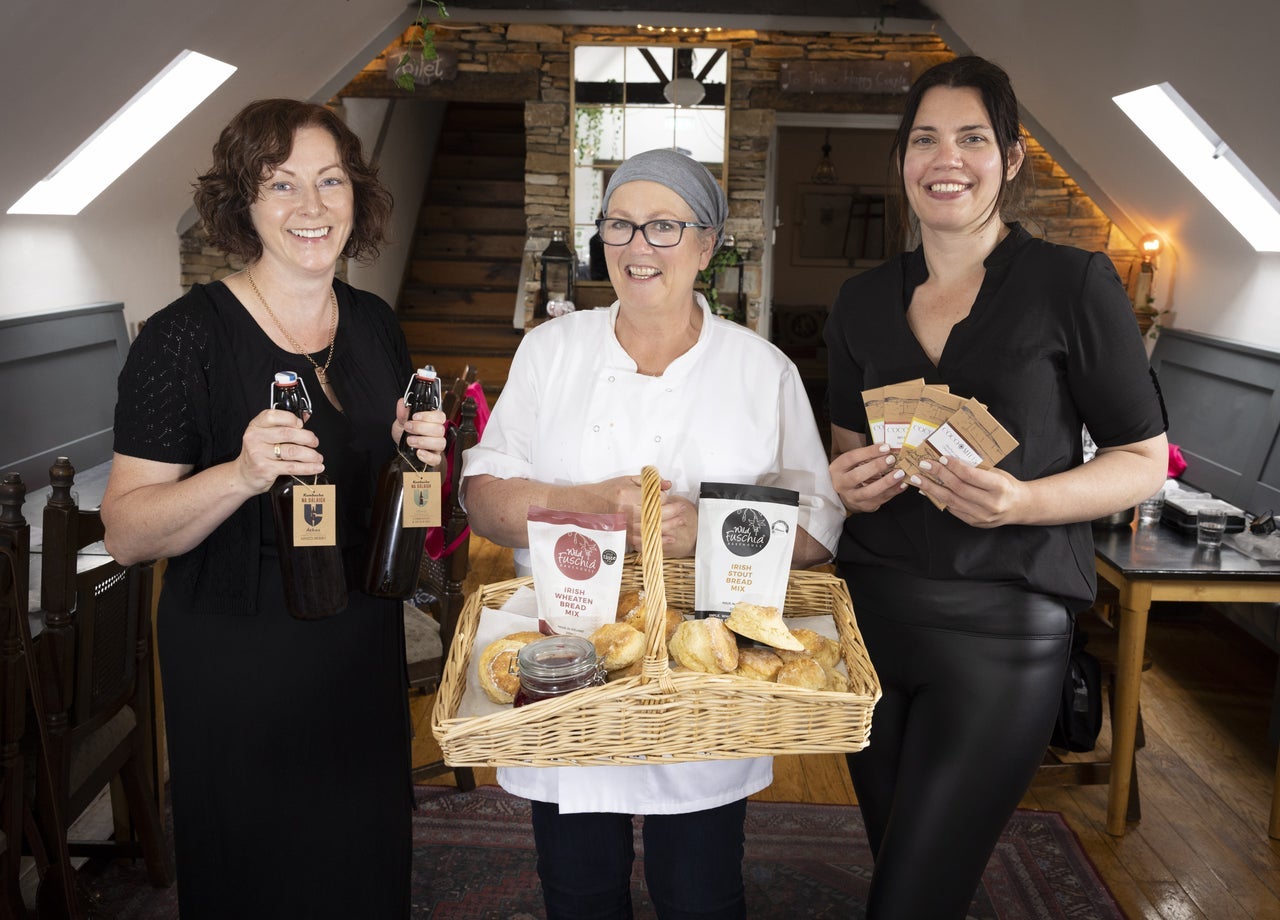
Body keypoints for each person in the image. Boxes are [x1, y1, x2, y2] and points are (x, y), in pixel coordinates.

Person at [824, 56, 1168, 919]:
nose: (947, 159)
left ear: (1011, 158)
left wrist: (1026, 501)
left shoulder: (1073, 283)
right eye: (925, 140)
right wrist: (850, 484)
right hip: (869, 624)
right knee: (903, 867)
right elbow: (847, 449)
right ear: (902, 158)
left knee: (908, 899)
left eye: (972, 138)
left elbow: (1143, 457)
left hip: (1004, 630)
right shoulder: (859, 300)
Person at [461, 147, 846, 919]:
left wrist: (708, 530)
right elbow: (482, 502)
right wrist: (585, 501)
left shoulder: (761, 370)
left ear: (707, 245)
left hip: (707, 674)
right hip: (565, 663)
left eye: (664, 226)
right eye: (620, 224)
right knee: (578, 889)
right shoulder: (550, 352)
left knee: (701, 892)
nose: (638, 246)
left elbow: (819, 530)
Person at [100, 99, 446, 919]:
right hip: (240, 652)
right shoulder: (182, 339)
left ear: (357, 194)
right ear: (242, 203)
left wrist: (416, 456)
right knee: (260, 872)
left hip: (360, 636)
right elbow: (124, 532)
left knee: (362, 859)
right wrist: (241, 474)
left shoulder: (374, 325)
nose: (311, 206)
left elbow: (403, 503)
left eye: (330, 181)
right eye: (281, 184)